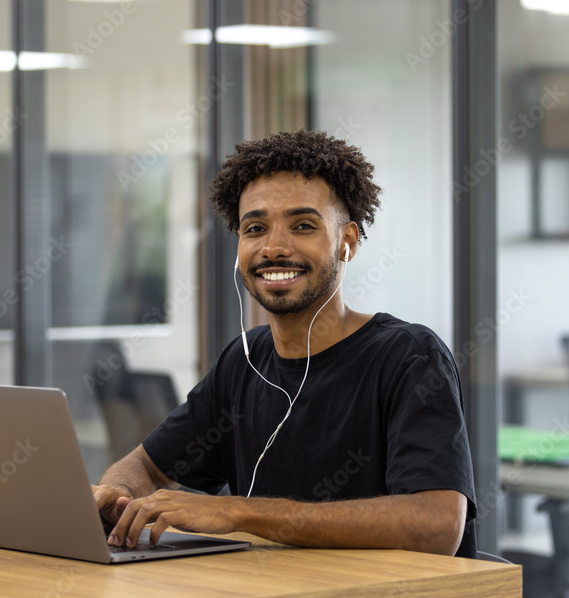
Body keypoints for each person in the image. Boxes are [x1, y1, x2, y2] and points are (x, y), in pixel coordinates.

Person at [93, 129, 477, 558]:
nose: (274, 247)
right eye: (255, 228)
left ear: (347, 242)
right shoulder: (244, 360)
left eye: (303, 226)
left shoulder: (409, 357)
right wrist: (117, 494)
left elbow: (437, 525)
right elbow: (145, 465)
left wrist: (240, 514)